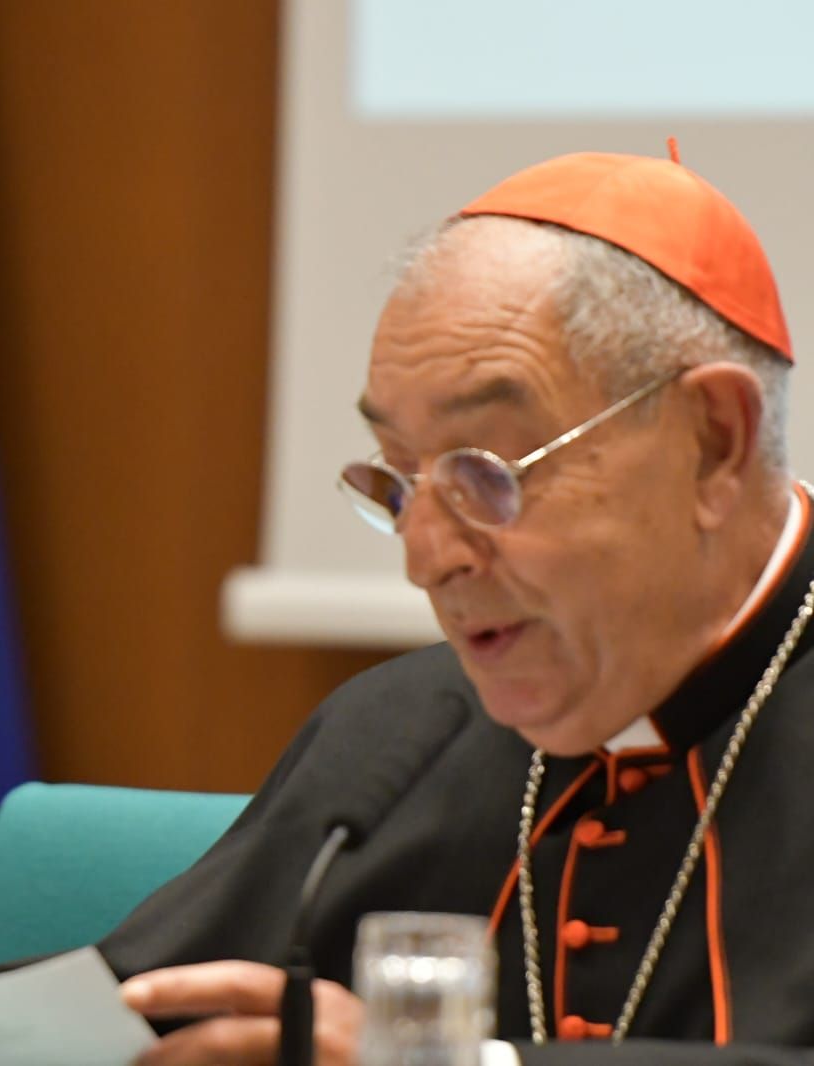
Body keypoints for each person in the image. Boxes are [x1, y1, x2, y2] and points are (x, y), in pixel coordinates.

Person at [101, 150, 814, 1064]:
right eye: (397, 482)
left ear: (713, 443)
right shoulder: (395, 735)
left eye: (486, 473)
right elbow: (128, 1018)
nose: (426, 560)